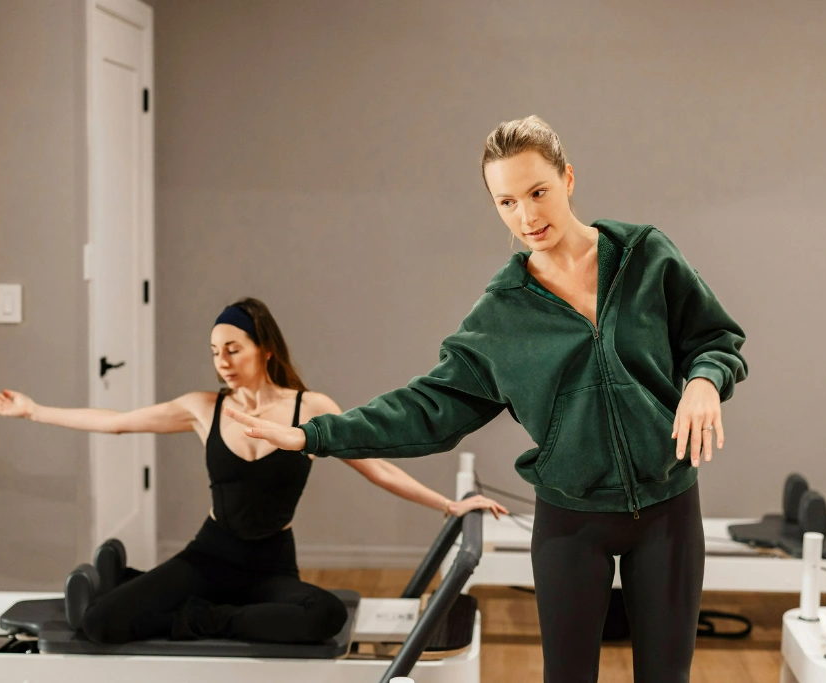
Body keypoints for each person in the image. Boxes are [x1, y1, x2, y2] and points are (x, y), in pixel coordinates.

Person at [229, 117, 748, 682]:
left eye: (537, 192)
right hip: (570, 523)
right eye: (506, 202)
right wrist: (314, 434)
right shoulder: (502, 314)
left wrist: (704, 381)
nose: (525, 216)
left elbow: (714, 339)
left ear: (568, 178)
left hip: (667, 510)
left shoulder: (644, 255)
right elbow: (428, 406)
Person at [0, 297, 505, 645]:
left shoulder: (310, 409)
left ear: (264, 347)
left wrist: (451, 506)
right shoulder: (200, 408)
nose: (223, 361)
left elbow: (376, 468)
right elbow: (117, 422)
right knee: (98, 623)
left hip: (272, 564)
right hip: (209, 556)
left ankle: (197, 613)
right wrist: (34, 410)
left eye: (233, 348)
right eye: (215, 352)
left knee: (324, 617)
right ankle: (139, 586)